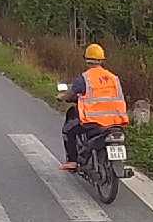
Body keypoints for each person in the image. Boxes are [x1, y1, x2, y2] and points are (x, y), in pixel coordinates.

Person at [55, 43, 129, 171]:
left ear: (86, 59)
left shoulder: (85, 78)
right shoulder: (113, 78)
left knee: (68, 130)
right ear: (102, 60)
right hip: (116, 121)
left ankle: (72, 161)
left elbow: (72, 93)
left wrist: (62, 97)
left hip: (94, 122)